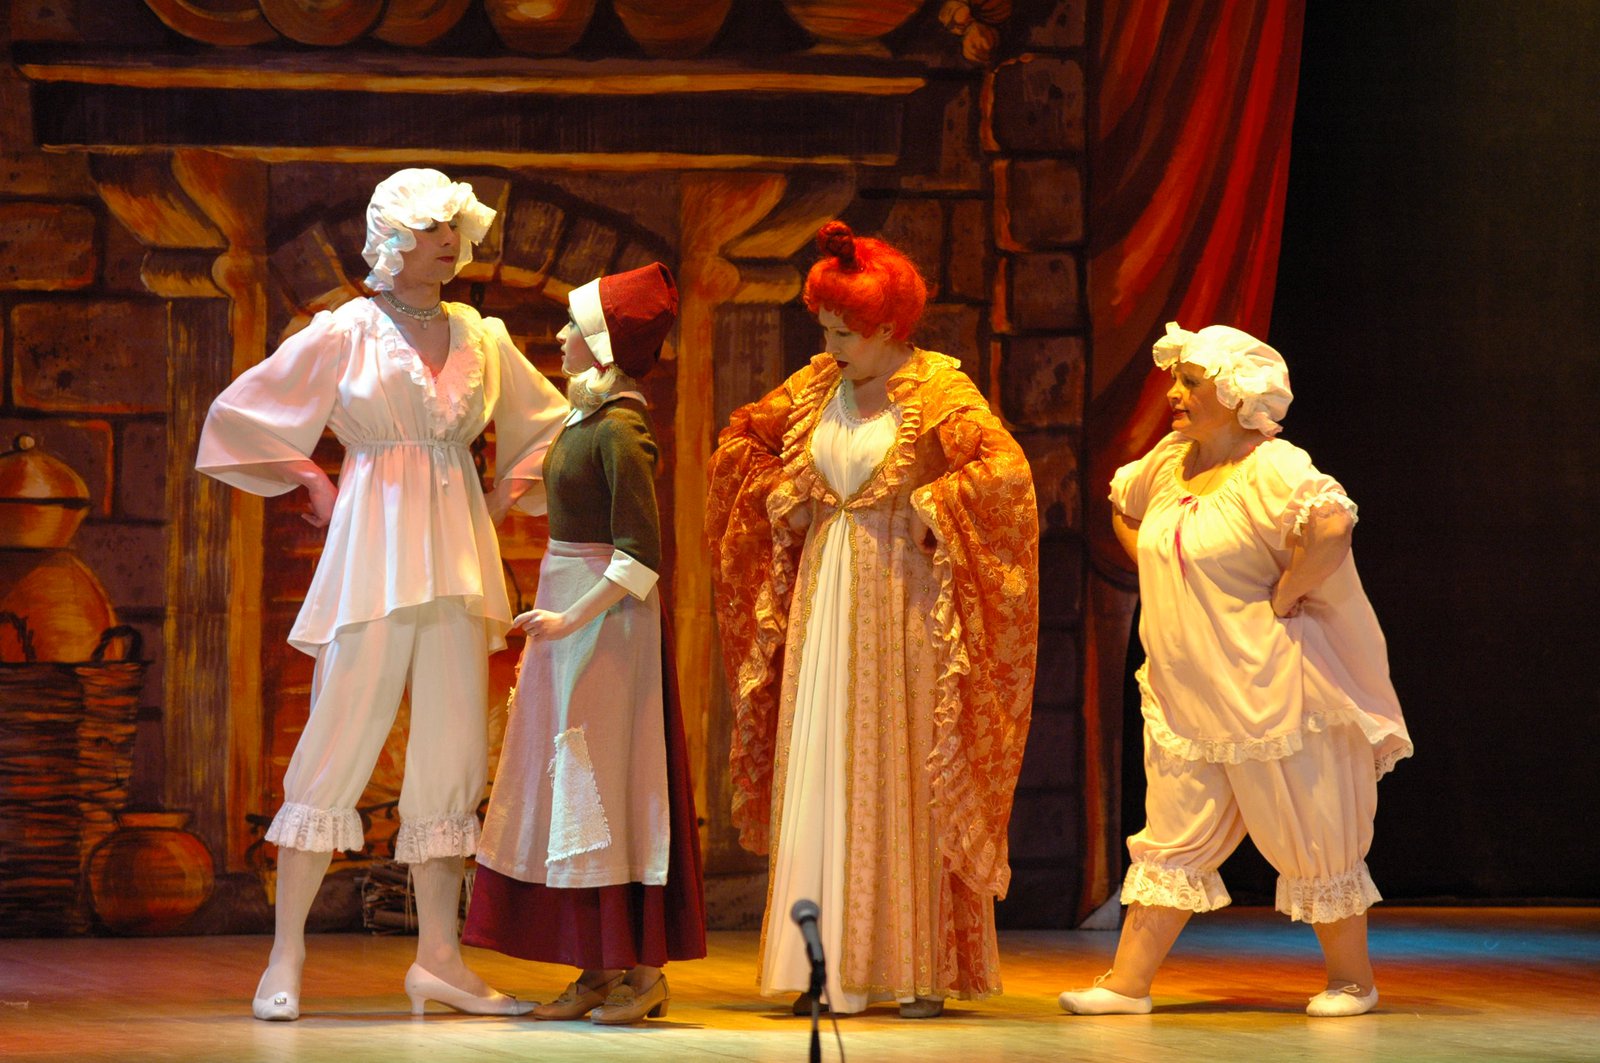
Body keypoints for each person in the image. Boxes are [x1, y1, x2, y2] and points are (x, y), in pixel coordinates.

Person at [196, 168, 568, 1021]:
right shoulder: (348, 331)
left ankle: (440, 957)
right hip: (372, 548)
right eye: (433, 227)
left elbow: (549, 424)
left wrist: (503, 494)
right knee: (338, 731)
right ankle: (285, 953)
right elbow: (242, 413)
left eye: (455, 227)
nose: (450, 242)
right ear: (394, 237)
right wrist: (313, 479)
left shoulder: (482, 334)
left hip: (455, 555)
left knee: (453, 748)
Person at [706, 222, 1039, 1018]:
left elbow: (1005, 476)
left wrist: (930, 505)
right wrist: (780, 496)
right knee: (822, 764)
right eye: (824, 327)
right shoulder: (815, 385)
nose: (827, 344)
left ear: (888, 327)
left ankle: (911, 968)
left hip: (901, 603)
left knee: (896, 770)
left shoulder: (938, 390)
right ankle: (824, 968)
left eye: (843, 331)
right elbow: (740, 442)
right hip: (825, 591)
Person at [1057, 322, 1412, 1019]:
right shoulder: (1169, 462)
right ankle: (1128, 983)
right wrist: (1160, 569)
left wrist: (1287, 593)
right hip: (1185, 689)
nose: (1174, 393)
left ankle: (1352, 981)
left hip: (1270, 685)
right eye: (1177, 380)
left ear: (1237, 394)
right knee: (1172, 835)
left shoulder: (1270, 465)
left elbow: (1333, 525)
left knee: (1314, 829)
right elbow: (1125, 510)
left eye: (1191, 382)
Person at [465, 262, 706, 1025]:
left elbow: (639, 554)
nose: (562, 335)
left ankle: (643, 969)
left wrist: (570, 619)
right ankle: (597, 964)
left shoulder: (623, 430)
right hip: (568, 608)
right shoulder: (584, 417)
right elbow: (570, 498)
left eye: (576, 326)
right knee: (571, 783)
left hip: (608, 626)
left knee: (605, 779)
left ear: (601, 344)